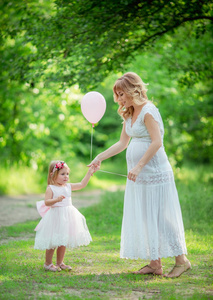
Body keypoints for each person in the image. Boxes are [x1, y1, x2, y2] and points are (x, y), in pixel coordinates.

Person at [89, 72, 191, 278]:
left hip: (154, 171)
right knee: (146, 217)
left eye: (121, 94)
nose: (119, 99)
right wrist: (100, 157)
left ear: (132, 89)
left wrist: (138, 166)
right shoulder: (129, 113)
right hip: (139, 177)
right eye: (116, 95)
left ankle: (182, 261)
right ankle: (155, 264)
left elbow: (157, 142)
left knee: (161, 216)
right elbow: (122, 143)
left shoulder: (148, 111)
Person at [34, 160, 98, 272]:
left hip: (67, 216)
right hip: (55, 216)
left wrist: (89, 172)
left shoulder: (68, 186)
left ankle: (60, 263)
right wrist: (56, 200)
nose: (66, 177)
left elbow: (82, 184)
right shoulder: (51, 188)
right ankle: (48, 263)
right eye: (62, 174)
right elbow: (47, 202)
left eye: (67, 174)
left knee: (63, 240)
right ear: (53, 175)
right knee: (53, 240)